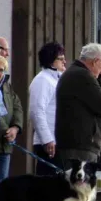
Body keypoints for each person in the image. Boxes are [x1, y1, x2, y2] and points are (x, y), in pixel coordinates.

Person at [55, 43, 101, 201]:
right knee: (79, 195)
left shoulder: (75, 74)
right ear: (95, 61)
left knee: (86, 194)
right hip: (81, 142)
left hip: (78, 141)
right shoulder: (82, 76)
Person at [0, 36, 23, 191]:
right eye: (3, 50)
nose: (6, 53)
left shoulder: (5, 82)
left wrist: (16, 127)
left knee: (1, 188)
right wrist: (4, 130)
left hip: (6, 146)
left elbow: (16, 105)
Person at [29, 42, 66, 175]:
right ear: (51, 61)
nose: (64, 61)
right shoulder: (42, 80)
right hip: (49, 143)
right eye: (60, 59)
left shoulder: (57, 80)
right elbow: (36, 111)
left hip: (59, 141)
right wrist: (47, 139)